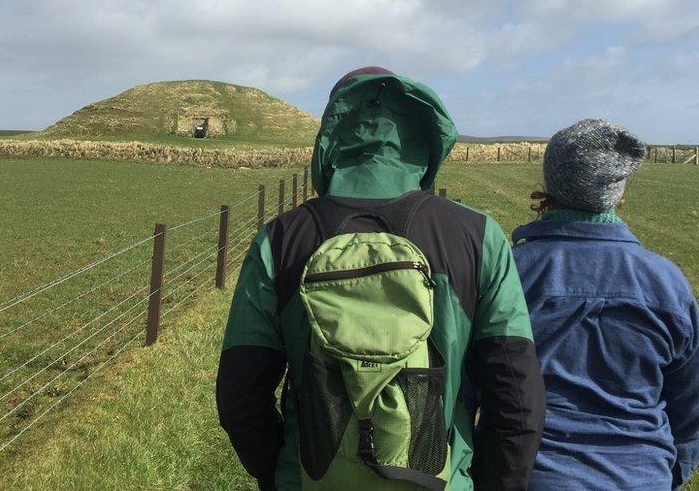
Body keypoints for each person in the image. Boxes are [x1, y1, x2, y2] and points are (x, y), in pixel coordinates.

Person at [216, 67, 545, 490]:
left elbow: (240, 398)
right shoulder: (477, 236)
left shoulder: (280, 240)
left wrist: (281, 475)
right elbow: (517, 399)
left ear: (332, 135)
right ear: (425, 139)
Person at [511, 120, 699, 490]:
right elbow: (691, 414)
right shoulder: (667, 282)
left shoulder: (510, 273)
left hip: (532, 475)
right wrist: (666, 477)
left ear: (550, 185)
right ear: (618, 191)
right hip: (643, 475)